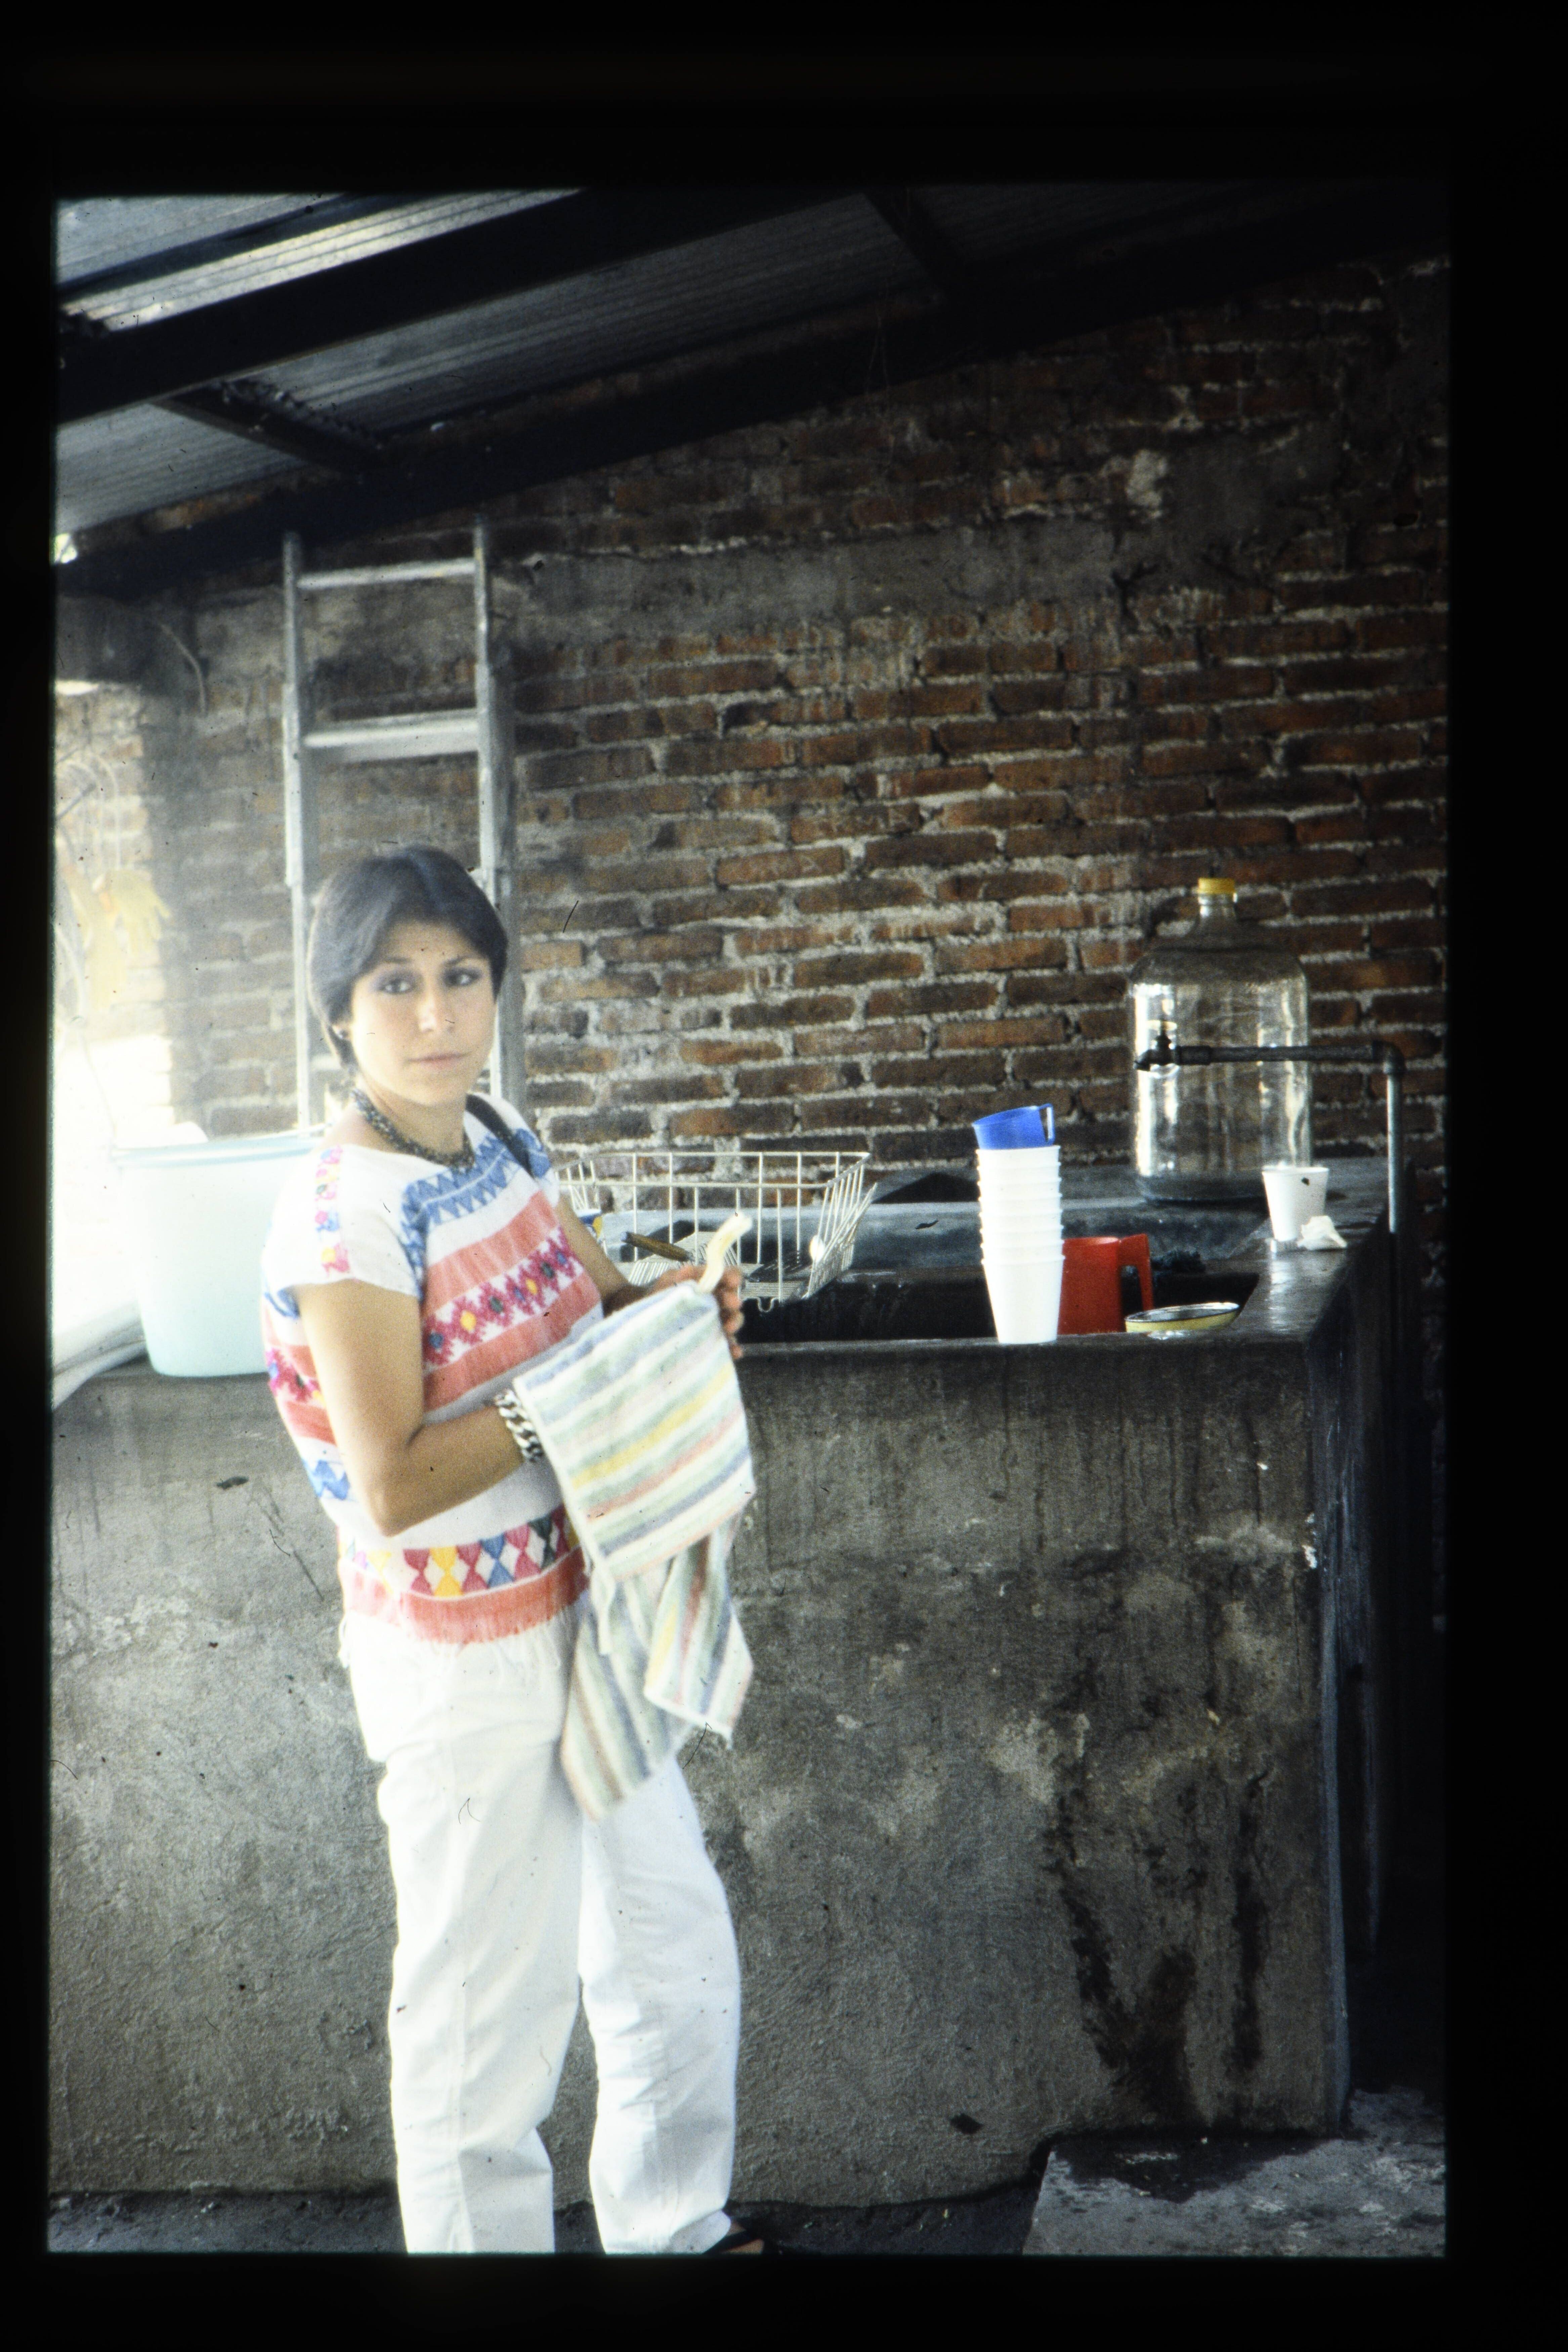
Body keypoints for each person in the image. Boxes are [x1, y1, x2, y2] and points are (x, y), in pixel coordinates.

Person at [259, 844, 767, 2256]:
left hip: (584, 1606)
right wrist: (577, 1391)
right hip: (456, 1657)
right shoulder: (343, 1214)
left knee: (666, 1938)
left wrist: (676, 1307)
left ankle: (674, 2231)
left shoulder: (494, 1128)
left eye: (462, 976)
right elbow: (393, 1483)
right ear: (338, 1012)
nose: (436, 1015)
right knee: (488, 2015)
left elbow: (598, 1304)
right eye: (395, 985)